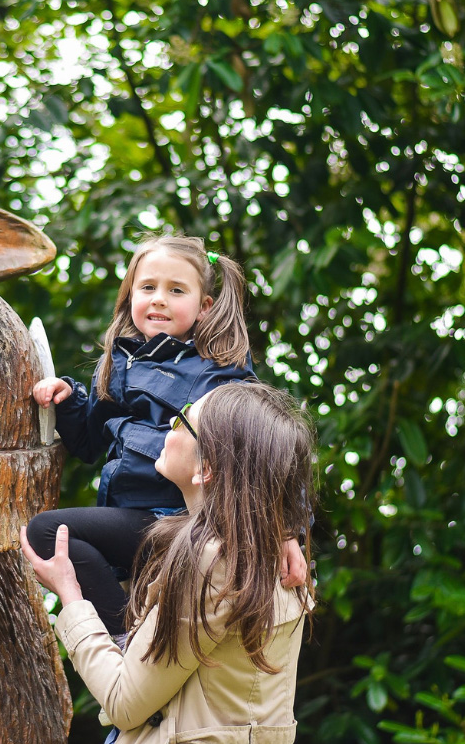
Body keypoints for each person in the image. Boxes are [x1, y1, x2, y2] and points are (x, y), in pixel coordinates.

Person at [20, 382, 319, 744]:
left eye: (183, 419)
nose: (167, 428)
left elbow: (124, 700)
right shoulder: (271, 551)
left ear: (209, 470)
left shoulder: (209, 562)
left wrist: (70, 598)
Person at [28, 233, 306, 639]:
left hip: (186, 522)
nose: (159, 299)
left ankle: (124, 648)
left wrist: (287, 533)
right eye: (148, 287)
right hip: (133, 521)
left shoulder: (221, 373)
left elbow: (271, 454)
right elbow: (87, 445)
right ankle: (130, 642)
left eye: (176, 290)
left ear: (204, 307)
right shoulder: (116, 366)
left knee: (48, 534)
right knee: (51, 539)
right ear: (130, 298)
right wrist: (67, 400)